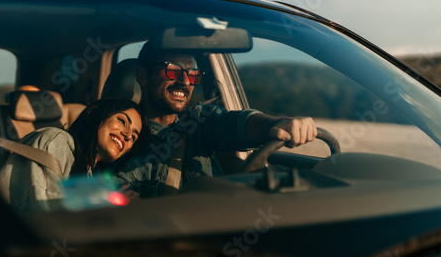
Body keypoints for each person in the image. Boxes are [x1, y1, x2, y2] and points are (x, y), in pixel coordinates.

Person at [114, 41, 318, 198]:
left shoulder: (200, 120)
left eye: (192, 74)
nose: (185, 81)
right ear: (142, 76)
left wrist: (278, 124)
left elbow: (239, 124)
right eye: (173, 70)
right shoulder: (117, 137)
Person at [0, 98, 147, 213]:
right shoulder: (56, 139)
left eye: (134, 137)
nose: (127, 135)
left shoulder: (89, 173)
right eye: (122, 121)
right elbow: (44, 212)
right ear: (95, 115)